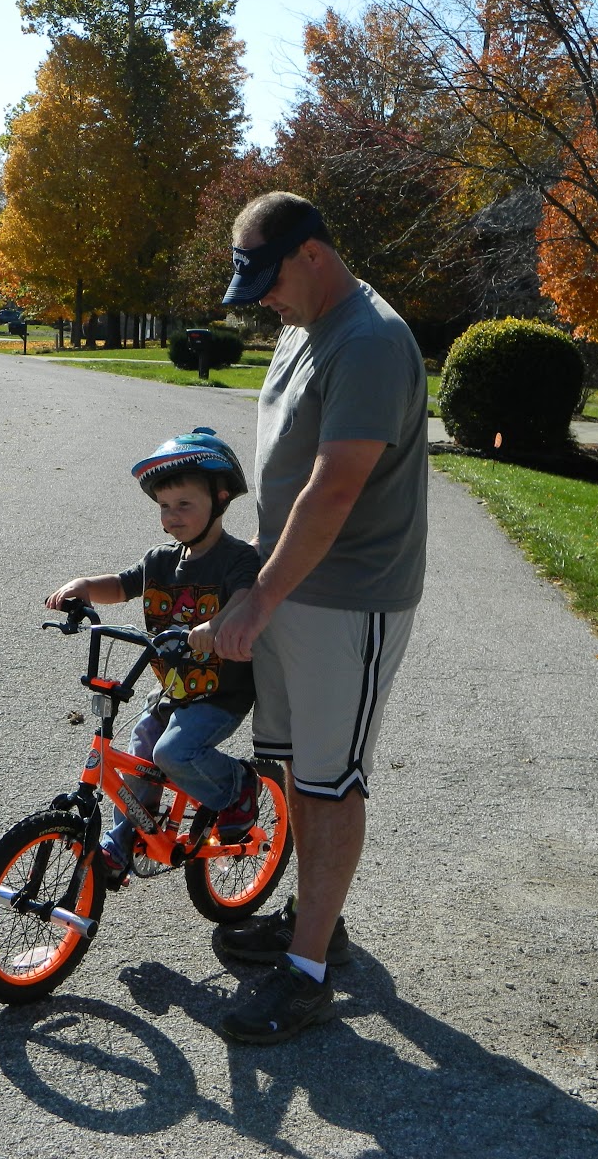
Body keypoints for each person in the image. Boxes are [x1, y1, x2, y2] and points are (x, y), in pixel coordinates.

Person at [207, 192, 429, 1043]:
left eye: (269, 279)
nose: (263, 299)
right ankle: (314, 922)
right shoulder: (304, 327)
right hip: (289, 589)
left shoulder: (368, 341)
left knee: (332, 783)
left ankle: (305, 975)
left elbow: (333, 488)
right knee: (297, 769)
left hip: (348, 600)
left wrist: (261, 597)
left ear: (312, 253)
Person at [44, 428, 263, 883]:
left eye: (185, 505)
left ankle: (238, 786)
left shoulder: (237, 558)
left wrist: (216, 626)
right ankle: (127, 837)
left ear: (220, 501)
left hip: (220, 694)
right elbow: (122, 585)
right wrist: (85, 587)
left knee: (174, 751)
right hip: (174, 690)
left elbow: (246, 600)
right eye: (165, 506)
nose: (173, 516)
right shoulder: (160, 560)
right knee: (140, 748)